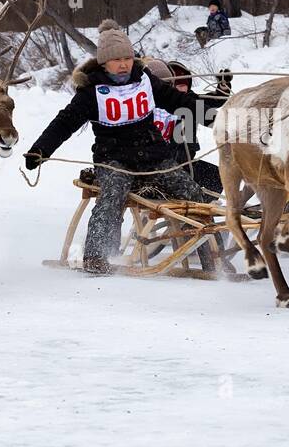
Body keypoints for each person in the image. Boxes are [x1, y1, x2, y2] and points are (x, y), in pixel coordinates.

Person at [23, 20, 224, 274]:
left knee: (192, 193)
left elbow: (178, 101)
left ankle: (213, 259)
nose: (123, 64)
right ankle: (97, 257)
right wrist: (40, 150)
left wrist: (213, 118)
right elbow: (65, 122)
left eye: (127, 58)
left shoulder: (145, 80)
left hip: (154, 156)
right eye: (117, 59)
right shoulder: (92, 90)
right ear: (104, 62)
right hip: (114, 158)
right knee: (112, 195)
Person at [167, 59, 231, 193]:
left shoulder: (192, 100)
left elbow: (215, 100)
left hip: (188, 159)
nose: (180, 88)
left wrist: (223, 86)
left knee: (217, 177)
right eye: (176, 84)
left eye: (183, 84)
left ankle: (204, 207)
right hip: (167, 164)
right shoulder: (160, 103)